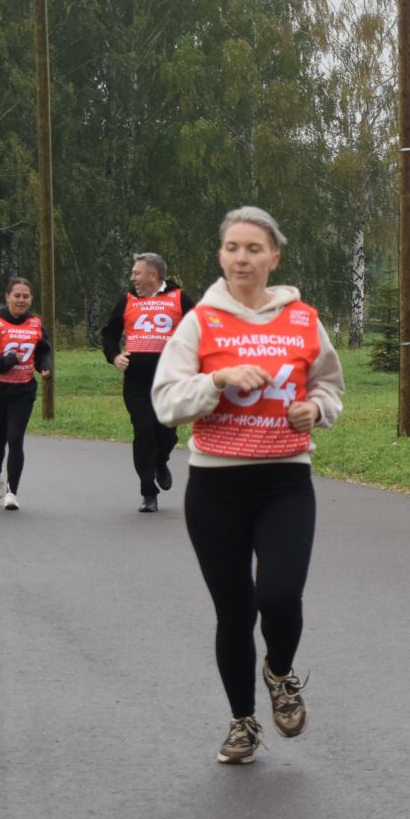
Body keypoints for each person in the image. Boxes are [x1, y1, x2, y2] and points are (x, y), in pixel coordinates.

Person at [152, 207, 345, 765]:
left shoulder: (303, 319)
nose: (242, 258)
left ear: (274, 257)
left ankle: (280, 673)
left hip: (286, 480)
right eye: (233, 247)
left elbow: (330, 388)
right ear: (221, 256)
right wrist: (216, 379)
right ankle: (242, 723)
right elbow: (165, 402)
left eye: (254, 248)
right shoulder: (201, 321)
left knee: (279, 596)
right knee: (235, 612)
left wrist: (316, 408)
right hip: (215, 487)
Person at [100, 253, 186, 512]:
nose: (132, 278)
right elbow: (109, 334)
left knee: (167, 432)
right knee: (144, 430)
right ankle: (148, 491)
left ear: (153, 275)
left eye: (137, 273)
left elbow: (201, 329)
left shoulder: (180, 298)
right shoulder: (127, 300)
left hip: (170, 378)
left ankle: (161, 461)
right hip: (137, 378)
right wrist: (114, 356)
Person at [0, 276, 53, 511]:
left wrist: (45, 367)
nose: (21, 300)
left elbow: (42, 351)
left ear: (31, 299)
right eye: (17, 295)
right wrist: (7, 361)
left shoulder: (36, 324)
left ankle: (12, 493)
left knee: (15, 439)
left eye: (26, 296)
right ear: (7, 297)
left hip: (23, 391)